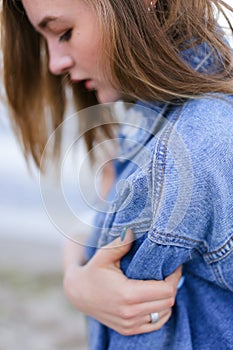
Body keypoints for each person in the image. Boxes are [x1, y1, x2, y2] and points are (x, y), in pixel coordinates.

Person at [1, 0, 233, 349]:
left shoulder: (174, 161)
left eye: (64, 32)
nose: (54, 64)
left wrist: (81, 282)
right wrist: (75, 281)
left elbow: (138, 334)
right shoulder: (193, 104)